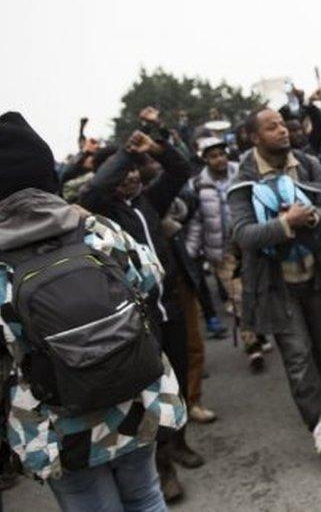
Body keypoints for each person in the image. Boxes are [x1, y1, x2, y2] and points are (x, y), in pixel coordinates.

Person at [0, 111, 186, 511]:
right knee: (146, 495)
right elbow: (152, 277)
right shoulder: (93, 229)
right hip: (133, 395)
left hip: (57, 425)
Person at [78, 106, 200, 502]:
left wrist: (156, 147)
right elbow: (95, 189)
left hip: (172, 309)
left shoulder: (149, 202)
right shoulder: (104, 211)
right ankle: (163, 466)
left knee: (178, 381)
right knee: (153, 395)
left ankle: (179, 442)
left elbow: (181, 171)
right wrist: (126, 154)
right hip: (139, 321)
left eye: (136, 168)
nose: (132, 175)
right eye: (125, 171)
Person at [229, 107, 321, 456]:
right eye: (272, 127)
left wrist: (311, 217)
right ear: (255, 138)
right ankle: (317, 425)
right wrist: (285, 225)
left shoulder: (307, 164)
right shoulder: (243, 181)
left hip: (316, 274)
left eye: (282, 124)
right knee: (297, 355)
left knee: (320, 347)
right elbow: (243, 234)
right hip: (276, 284)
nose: (282, 131)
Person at [186, 136, 269, 373]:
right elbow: (197, 222)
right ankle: (252, 345)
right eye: (213, 156)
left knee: (257, 291)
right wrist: (192, 251)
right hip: (222, 252)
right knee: (238, 297)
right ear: (205, 160)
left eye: (222, 154)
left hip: (250, 243)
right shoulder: (198, 186)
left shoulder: (242, 174)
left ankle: (259, 331)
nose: (219, 159)